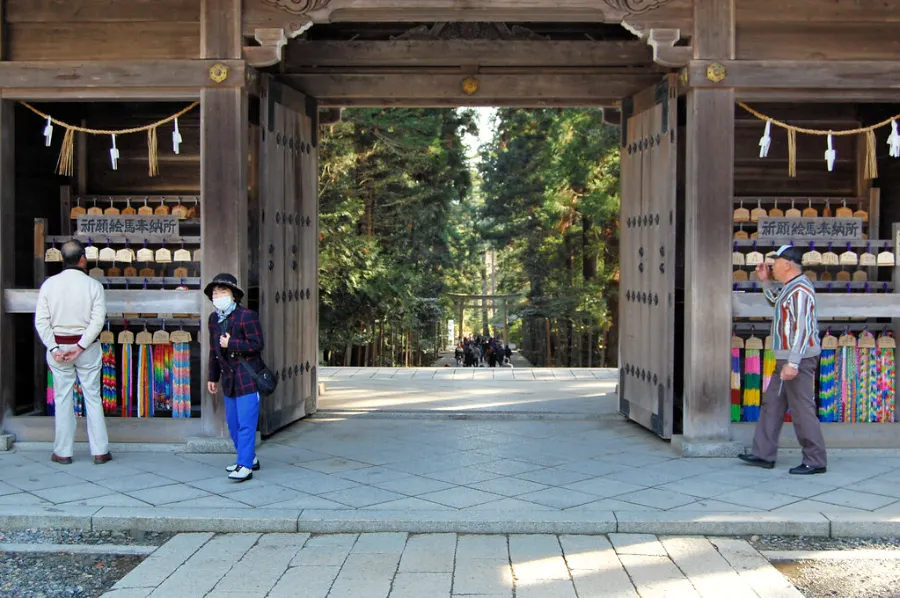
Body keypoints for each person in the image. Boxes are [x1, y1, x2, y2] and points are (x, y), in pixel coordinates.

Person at [739, 245, 827, 475]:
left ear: (787, 264)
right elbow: (777, 301)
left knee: (802, 410)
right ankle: (763, 454)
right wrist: (765, 281)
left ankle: (815, 460)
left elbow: (802, 330)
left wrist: (794, 363)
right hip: (787, 360)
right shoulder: (791, 287)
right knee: (773, 405)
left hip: (797, 360)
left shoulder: (800, 291)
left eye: (776, 262)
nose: (773, 265)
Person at [34, 240, 111, 465]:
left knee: (63, 397)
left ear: (62, 259)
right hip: (86, 349)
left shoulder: (49, 285)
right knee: (92, 396)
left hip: (58, 347)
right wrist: (80, 347)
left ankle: (63, 451)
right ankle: (100, 451)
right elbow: (97, 322)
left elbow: (41, 322)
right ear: (82, 259)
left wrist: (54, 347)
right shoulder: (93, 286)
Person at [205, 273, 265, 482]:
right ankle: (248, 457)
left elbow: (257, 345)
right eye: (215, 293)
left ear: (233, 295)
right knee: (232, 422)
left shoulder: (246, 316)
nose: (218, 296)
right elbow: (214, 350)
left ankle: (245, 465)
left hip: (247, 377)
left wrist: (232, 344)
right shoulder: (214, 319)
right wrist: (212, 377)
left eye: (223, 292)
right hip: (228, 378)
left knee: (246, 423)